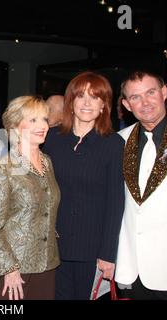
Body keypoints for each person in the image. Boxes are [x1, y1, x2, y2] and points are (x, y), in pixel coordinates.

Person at [114, 70, 167, 300]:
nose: (145, 102)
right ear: (127, 104)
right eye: (135, 97)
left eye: (150, 92)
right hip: (132, 271)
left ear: (163, 93)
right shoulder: (119, 141)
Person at [42, 71, 125, 300]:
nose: (87, 103)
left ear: (103, 106)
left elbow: (116, 203)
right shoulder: (52, 140)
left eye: (95, 97)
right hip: (54, 248)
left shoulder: (113, 144)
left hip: (92, 251)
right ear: (71, 103)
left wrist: (108, 253)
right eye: (81, 96)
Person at [0, 95, 61, 300]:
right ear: (15, 126)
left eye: (44, 119)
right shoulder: (3, 169)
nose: (42, 125)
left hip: (46, 262)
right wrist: (9, 268)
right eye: (33, 120)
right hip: (13, 268)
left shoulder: (48, 163)